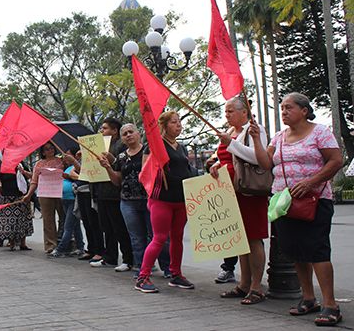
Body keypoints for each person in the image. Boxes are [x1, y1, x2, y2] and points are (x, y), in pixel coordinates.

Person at [250, 92, 343, 326]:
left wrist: (311, 182)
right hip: (284, 202)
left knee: (317, 249)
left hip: (315, 199)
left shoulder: (320, 132)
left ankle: (330, 304)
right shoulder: (279, 137)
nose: (284, 112)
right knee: (295, 251)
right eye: (282, 108)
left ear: (304, 110)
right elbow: (265, 163)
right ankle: (308, 297)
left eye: (289, 107)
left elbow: (335, 160)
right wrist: (257, 141)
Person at [210, 96, 268, 305]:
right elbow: (228, 158)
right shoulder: (233, 134)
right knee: (240, 239)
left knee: (253, 238)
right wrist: (216, 164)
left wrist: (231, 143)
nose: (227, 115)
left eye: (231, 111)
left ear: (245, 112)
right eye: (225, 112)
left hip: (249, 191)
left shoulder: (253, 129)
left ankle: (256, 286)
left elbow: (256, 157)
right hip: (232, 191)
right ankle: (244, 283)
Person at [134, 111, 197, 293]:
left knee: (177, 238)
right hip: (161, 199)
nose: (178, 125)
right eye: (174, 122)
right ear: (164, 125)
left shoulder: (182, 147)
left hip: (181, 199)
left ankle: (176, 274)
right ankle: (142, 277)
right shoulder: (155, 145)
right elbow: (144, 174)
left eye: (179, 122)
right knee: (160, 237)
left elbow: (187, 170)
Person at [99, 123, 170, 275]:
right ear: (122, 139)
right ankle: (143, 267)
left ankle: (167, 268)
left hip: (150, 200)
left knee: (157, 236)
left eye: (131, 132)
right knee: (136, 238)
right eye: (125, 134)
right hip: (128, 202)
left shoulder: (149, 152)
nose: (128, 135)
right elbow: (117, 180)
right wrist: (108, 168)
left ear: (139, 134)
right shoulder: (122, 157)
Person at [89, 118, 134, 272]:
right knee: (106, 227)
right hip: (101, 191)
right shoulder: (100, 145)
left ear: (115, 131)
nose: (102, 131)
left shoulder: (121, 145)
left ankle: (128, 259)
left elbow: (123, 167)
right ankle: (110, 257)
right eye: (101, 128)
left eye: (105, 128)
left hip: (115, 193)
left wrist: (112, 159)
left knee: (119, 228)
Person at [22, 142, 65, 253]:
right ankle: (51, 245)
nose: (49, 151)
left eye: (51, 148)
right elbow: (34, 181)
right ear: (42, 152)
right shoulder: (39, 164)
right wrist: (29, 194)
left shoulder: (61, 161)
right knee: (48, 220)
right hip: (45, 193)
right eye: (46, 149)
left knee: (63, 218)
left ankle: (64, 242)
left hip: (60, 192)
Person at [49, 150, 85, 258]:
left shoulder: (76, 166)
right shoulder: (67, 167)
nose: (65, 156)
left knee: (68, 226)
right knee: (75, 226)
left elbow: (77, 175)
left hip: (73, 199)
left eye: (68, 154)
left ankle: (61, 249)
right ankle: (80, 247)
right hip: (65, 199)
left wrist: (68, 175)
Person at [0, 161, 34, 250]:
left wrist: (23, 171)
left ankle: (23, 243)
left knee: (23, 220)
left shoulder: (21, 163)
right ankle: (12, 242)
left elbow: (33, 176)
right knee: (10, 221)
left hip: (21, 196)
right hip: (7, 197)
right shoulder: (1, 165)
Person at [74, 150, 104, 261]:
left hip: (89, 191)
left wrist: (74, 162)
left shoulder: (96, 154)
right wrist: (77, 160)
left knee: (93, 222)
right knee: (86, 222)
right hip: (80, 191)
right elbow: (75, 172)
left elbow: (84, 173)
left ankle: (99, 250)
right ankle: (91, 249)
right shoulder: (82, 157)